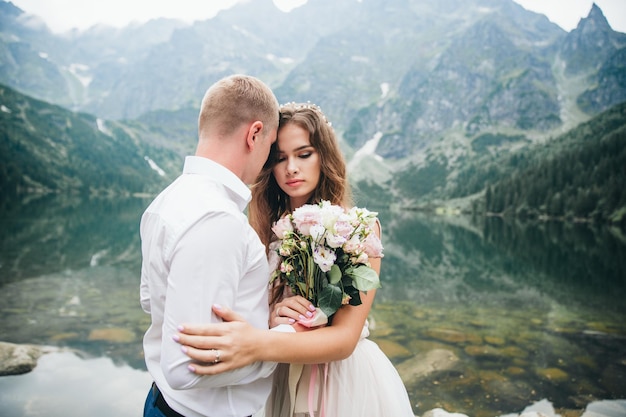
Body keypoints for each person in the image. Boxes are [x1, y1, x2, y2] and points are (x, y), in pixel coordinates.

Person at [175, 102, 415, 417]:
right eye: (279, 158)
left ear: (323, 156)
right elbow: (248, 308)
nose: (291, 168)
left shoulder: (359, 229)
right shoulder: (263, 227)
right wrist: (273, 314)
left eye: (303, 154)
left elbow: (345, 338)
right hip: (282, 374)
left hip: (341, 381)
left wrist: (256, 344)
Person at [139, 74, 282, 417]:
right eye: (271, 147)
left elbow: (151, 301)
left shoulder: (166, 201)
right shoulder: (217, 220)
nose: (268, 161)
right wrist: (273, 347)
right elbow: (184, 366)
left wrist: (261, 319)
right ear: (255, 134)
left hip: (163, 403)